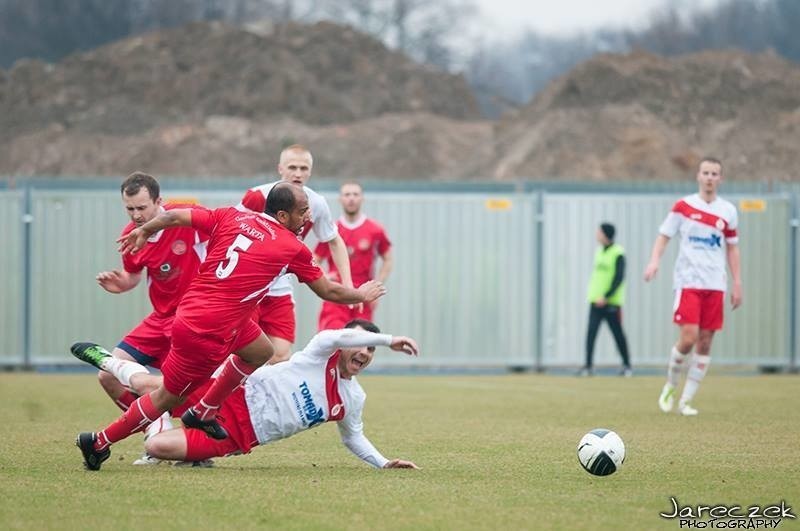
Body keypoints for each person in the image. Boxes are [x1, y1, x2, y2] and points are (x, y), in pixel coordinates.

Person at [75, 183, 386, 471]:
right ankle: (99, 440)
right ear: (282, 214)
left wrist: (144, 230)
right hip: (206, 330)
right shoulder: (291, 247)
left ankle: (205, 410)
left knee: (262, 351)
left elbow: (173, 217)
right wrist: (362, 293)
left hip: (216, 317)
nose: (308, 217)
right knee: (166, 397)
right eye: (303, 211)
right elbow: (328, 291)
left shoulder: (232, 216)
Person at [73, 319, 420, 469]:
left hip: (239, 435)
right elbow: (335, 336)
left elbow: (353, 437)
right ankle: (112, 363)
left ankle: (156, 418)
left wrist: (383, 462)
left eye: (371, 351)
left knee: (156, 446)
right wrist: (389, 340)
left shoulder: (353, 398)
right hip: (233, 392)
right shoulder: (321, 351)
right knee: (150, 386)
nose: (364, 353)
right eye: (360, 345)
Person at [84, 171, 207, 464]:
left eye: (142, 207)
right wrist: (121, 284)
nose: (137, 215)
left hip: (193, 319)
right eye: (130, 208)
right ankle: (155, 426)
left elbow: (224, 226)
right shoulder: (131, 234)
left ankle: (190, 446)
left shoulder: (187, 219)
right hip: (159, 319)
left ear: (158, 201)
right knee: (108, 374)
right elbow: (133, 276)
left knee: (183, 387)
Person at [644, 157, 742, 416]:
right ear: (698, 176)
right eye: (706, 172)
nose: (710, 177)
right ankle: (670, 386)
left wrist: (737, 282)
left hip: (715, 283)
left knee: (706, 342)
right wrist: (654, 262)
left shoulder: (728, 211)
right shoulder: (684, 206)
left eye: (715, 173)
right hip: (688, 282)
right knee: (688, 338)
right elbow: (663, 236)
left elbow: (732, 248)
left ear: (720, 179)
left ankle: (686, 401)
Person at [240, 144, 354, 363]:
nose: (298, 173)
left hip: (280, 286)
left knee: (281, 354)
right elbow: (230, 228)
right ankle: (228, 394)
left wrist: (348, 284)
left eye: (304, 168)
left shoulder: (317, 203)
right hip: (248, 285)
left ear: (310, 171)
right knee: (244, 351)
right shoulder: (257, 196)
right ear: (280, 169)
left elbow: (334, 240)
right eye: (292, 167)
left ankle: (259, 394)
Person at [315, 181, 393, 330]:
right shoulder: (332, 230)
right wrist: (325, 276)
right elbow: (315, 258)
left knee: (361, 343)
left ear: (362, 198)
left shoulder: (375, 230)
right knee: (332, 338)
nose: (351, 198)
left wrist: (377, 285)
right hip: (337, 294)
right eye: (347, 194)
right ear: (340, 199)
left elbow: (388, 259)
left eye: (355, 194)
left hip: (363, 295)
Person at [580, 222, 631, 377]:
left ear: (605, 234)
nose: (597, 234)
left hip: (611, 303)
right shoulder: (599, 251)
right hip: (595, 301)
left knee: (618, 334)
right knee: (591, 333)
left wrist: (607, 296)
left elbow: (619, 277)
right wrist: (595, 296)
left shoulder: (618, 253)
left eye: (599, 232)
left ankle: (627, 366)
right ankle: (588, 366)